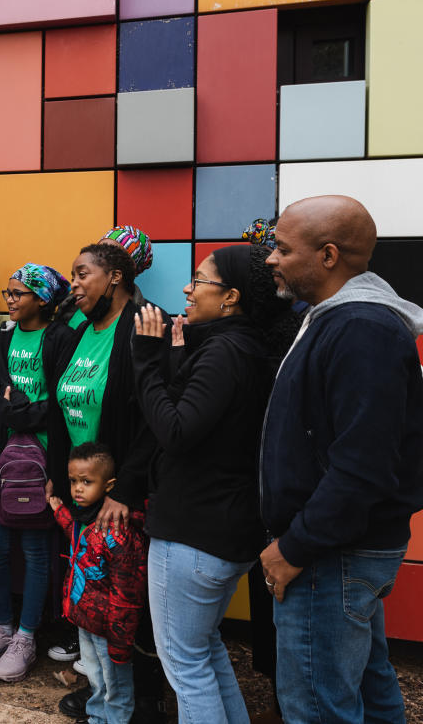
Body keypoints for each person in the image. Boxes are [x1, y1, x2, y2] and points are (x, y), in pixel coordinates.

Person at [260, 195, 423, 723]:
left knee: (318, 708)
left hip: (329, 556)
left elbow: (362, 464)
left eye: (283, 248)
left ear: (328, 255)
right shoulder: (337, 320)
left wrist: (294, 547)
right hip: (338, 553)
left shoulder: (360, 328)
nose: (270, 259)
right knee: (368, 690)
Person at [132, 245, 298, 724]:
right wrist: (181, 358)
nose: (187, 288)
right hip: (224, 530)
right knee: (202, 650)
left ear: (229, 297)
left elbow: (177, 432)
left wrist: (146, 361)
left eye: (199, 280)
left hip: (194, 533)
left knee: (184, 664)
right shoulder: (239, 345)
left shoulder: (226, 351)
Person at [55, 241, 167, 721]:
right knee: (91, 605)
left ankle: (140, 701)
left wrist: (122, 491)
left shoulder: (144, 324)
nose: (74, 283)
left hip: (122, 500)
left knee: (124, 612)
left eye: (83, 274)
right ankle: (103, 695)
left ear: (115, 276)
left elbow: (153, 422)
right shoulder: (81, 329)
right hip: (85, 496)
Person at [0, 263, 77, 682]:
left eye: (19, 293)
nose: (10, 299)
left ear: (42, 299)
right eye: (8, 291)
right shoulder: (4, 336)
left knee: (35, 550)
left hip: (44, 460)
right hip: (6, 458)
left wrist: (18, 410)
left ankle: (27, 638)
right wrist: (10, 404)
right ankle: (1, 629)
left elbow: (60, 402)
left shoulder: (61, 338)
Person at [48, 443, 147, 724]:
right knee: (94, 674)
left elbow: (126, 596)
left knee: (115, 681)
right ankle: (95, 717)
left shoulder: (119, 534)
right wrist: (59, 511)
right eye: (73, 481)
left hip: (109, 628)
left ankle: (115, 720)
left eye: (87, 482)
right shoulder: (84, 518)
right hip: (86, 619)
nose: (78, 488)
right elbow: (77, 536)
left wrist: (119, 641)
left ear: (109, 485)